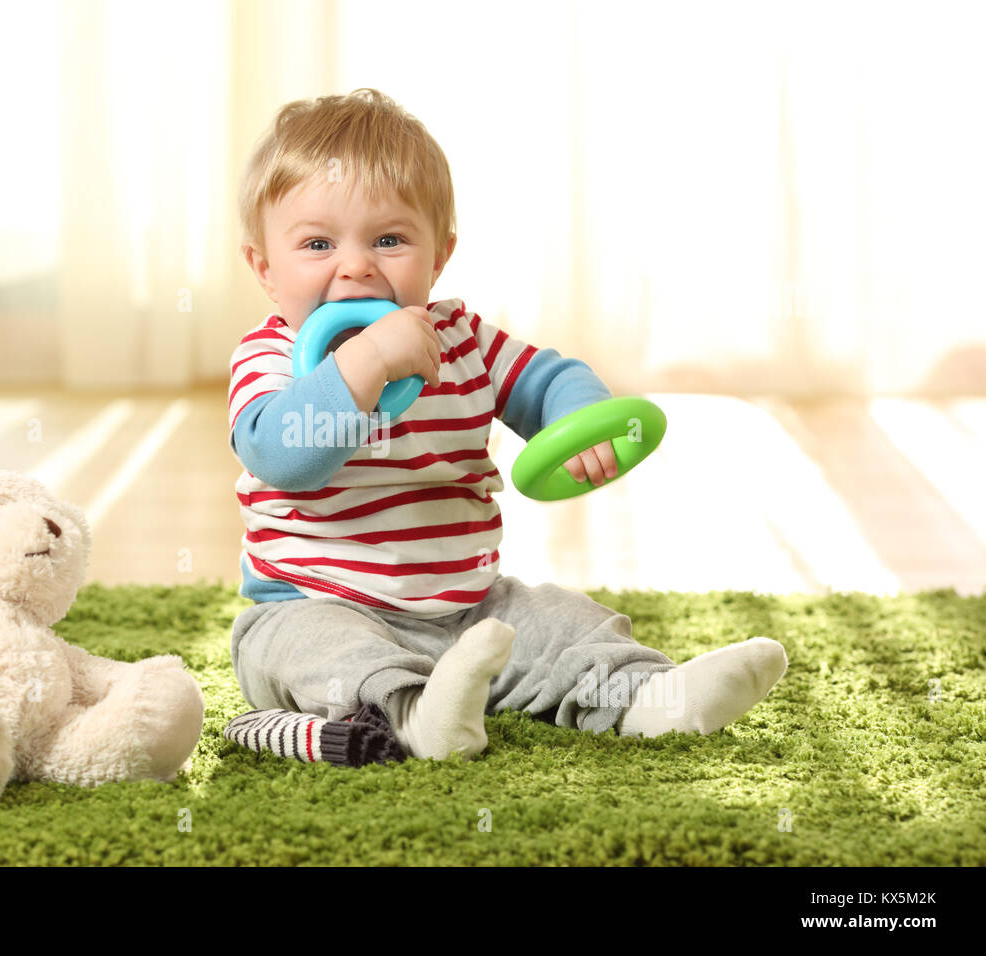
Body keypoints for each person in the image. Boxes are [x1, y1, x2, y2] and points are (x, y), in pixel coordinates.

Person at [227, 89, 787, 761]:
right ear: (265, 268)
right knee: (313, 655)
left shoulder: (459, 339)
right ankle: (412, 718)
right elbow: (282, 454)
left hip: (467, 607)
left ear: (438, 256)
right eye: (318, 244)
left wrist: (580, 421)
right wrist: (368, 360)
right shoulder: (269, 360)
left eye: (389, 239)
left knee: (563, 623)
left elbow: (547, 378)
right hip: (311, 604)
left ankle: (649, 697)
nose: (357, 265)